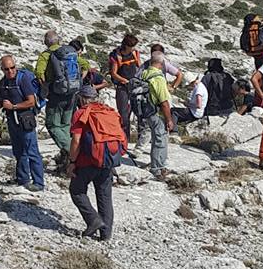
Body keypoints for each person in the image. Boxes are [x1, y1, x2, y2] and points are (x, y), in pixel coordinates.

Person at [67, 84, 127, 239]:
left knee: (76, 190)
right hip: (108, 160)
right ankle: (106, 235)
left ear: (81, 99)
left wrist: (71, 161)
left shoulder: (81, 113)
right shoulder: (108, 112)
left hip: (87, 162)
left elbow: (76, 140)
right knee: (105, 197)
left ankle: (93, 220)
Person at [0, 55, 44, 190]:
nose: (10, 71)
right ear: (2, 69)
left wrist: (13, 107)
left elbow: (31, 101)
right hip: (12, 120)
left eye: (12, 68)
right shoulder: (2, 83)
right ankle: (22, 179)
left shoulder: (23, 80)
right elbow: (1, 102)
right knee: (19, 151)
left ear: (15, 66)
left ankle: (38, 183)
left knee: (32, 151)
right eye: (7, 69)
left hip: (25, 119)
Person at [35, 30, 81, 164]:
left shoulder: (46, 55)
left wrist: (45, 88)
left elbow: (39, 73)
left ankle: (72, 152)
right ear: (58, 40)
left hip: (56, 94)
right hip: (72, 93)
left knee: (53, 125)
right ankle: (70, 154)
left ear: (45, 42)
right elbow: (83, 65)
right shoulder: (68, 53)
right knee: (66, 124)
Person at [141, 53, 175, 178]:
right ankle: (157, 168)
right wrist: (169, 119)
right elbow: (164, 102)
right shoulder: (159, 78)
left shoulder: (145, 73)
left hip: (146, 110)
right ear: (162, 63)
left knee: (157, 137)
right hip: (156, 111)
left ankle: (159, 164)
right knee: (160, 139)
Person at [109, 33, 140, 141]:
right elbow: (113, 73)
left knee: (135, 111)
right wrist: (124, 81)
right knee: (123, 113)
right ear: (126, 46)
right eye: (132, 46)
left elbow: (138, 66)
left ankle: (129, 137)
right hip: (122, 87)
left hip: (134, 86)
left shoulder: (135, 53)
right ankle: (124, 138)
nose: (134, 48)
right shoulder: (117, 56)